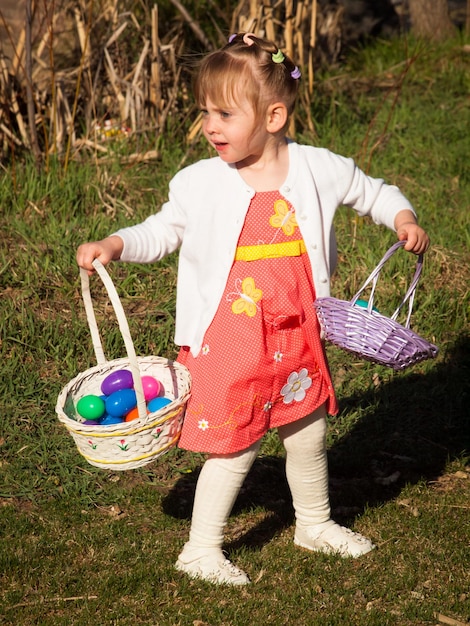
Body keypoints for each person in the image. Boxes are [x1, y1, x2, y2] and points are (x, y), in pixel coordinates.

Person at [76, 33, 430, 586]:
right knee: (236, 442)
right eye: (204, 113)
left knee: (307, 431)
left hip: (296, 331)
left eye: (223, 113)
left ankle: (313, 523)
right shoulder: (200, 183)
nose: (210, 126)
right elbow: (162, 229)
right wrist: (117, 244)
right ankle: (200, 549)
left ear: (272, 115)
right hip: (231, 340)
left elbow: (373, 191)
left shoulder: (318, 168)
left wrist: (403, 218)